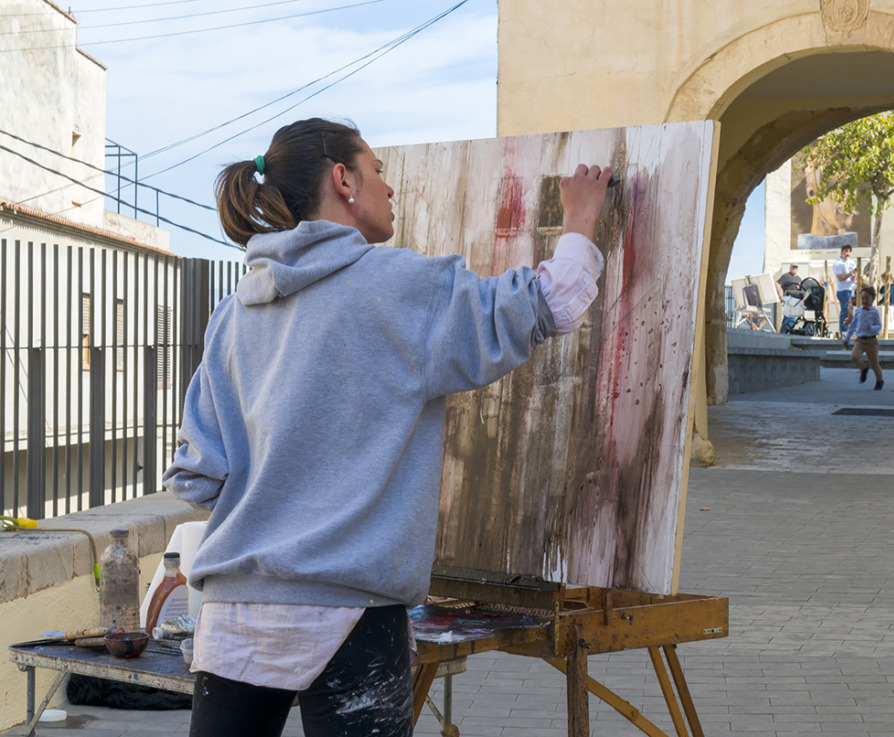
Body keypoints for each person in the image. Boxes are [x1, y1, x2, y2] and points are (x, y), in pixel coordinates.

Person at [161, 118, 613, 737]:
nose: (390, 188)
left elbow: (198, 478)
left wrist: (281, 490)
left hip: (235, 610)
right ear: (342, 180)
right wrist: (582, 219)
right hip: (348, 609)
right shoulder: (400, 287)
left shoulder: (234, 314)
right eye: (377, 171)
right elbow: (551, 301)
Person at [845, 285, 884, 390]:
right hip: (860, 340)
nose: (865, 301)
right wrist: (846, 338)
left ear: (872, 299)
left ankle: (879, 381)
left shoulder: (874, 312)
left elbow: (879, 326)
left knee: (875, 364)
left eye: (867, 298)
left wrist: (871, 327)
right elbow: (852, 326)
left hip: (871, 341)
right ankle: (864, 368)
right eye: (863, 298)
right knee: (854, 357)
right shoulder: (858, 311)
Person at [832, 244, 857, 335]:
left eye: (849, 252)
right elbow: (840, 278)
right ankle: (844, 331)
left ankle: (851, 329)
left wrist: (854, 276)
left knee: (852, 310)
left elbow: (855, 274)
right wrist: (850, 273)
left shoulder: (852, 262)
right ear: (842, 252)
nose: (847, 254)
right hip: (843, 290)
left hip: (852, 289)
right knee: (845, 310)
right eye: (845, 251)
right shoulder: (838, 263)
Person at [777, 264, 803, 333]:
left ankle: (785, 331)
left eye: (796, 267)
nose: (795, 269)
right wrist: (780, 294)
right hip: (789, 297)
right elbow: (777, 283)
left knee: (792, 317)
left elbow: (801, 287)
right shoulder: (786, 276)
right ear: (790, 268)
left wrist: (799, 287)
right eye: (793, 267)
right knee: (789, 316)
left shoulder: (799, 278)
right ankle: (785, 331)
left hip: (797, 298)